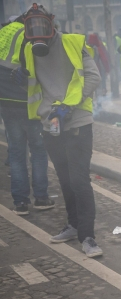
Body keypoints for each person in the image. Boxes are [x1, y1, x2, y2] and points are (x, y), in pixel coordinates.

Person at [13, 3, 102, 257]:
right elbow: (35, 87)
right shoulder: (29, 51)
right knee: (64, 178)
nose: (38, 31)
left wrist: (69, 106)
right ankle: (74, 225)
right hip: (50, 122)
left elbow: (93, 77)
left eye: (41, 25)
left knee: (79, 180)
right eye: (32, 27)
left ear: (51, 23)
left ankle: (88, 237)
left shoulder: (74, 43)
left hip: (77, 121)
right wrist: (21, 81)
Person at [0, 14, 54, 215]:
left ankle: (20, 203)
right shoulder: (31, 32)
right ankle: (41, 198)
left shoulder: (3, 33)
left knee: (16, 153)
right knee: (38, 151)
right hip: (28, 100)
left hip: (6, 102)